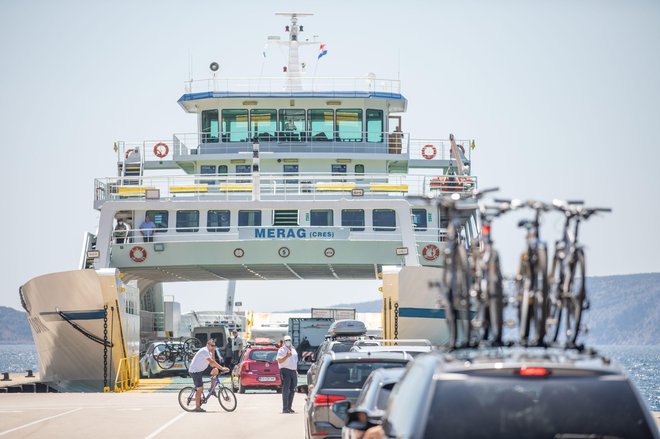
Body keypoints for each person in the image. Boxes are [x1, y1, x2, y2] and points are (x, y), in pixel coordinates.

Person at [188, 339, 228, 412]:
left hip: (202, 369)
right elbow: (212, 362)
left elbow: (212, 363)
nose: (213, 347)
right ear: (208, 345)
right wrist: (222, 368)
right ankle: (197, 407)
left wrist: (212, 352)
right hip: (195, 371)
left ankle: (211, 389)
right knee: (200, 388)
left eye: (214, 346)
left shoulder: (209, 352)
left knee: (215, 370)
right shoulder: (204, 351)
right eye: (212, 346)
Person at [276, 335, 298, 414]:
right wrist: (287, 356)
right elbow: (280, 360)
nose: (288, 341)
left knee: (292, 389)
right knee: (286, 389)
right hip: (285, 370)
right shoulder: (281, 350)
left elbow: (295, 361)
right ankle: (285, 408)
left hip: (293, 371)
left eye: (289, 340)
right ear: (284, 341)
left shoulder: (293, 349)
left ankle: (289, 407)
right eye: (287, 340)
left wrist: (296, 370)